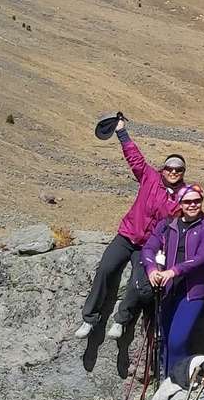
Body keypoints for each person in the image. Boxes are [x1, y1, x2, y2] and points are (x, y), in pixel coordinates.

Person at [76, 117, 192, 340]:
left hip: (148, 246)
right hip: (126, 235)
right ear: (163, 168)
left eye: (179, 169)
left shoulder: (184, 196)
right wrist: (121, 132)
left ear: (183, 172)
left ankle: (121, 320)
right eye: (170, 167)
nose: (174, 172)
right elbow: (134, 157)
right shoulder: (150, 177)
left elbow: (187, 219)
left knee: (138, 282)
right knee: (105, 270)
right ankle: (89, 318)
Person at [142, 184, 204, 374]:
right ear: (180, 203)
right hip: (168, 291)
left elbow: (201, 257)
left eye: (197, 201)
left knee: (177, 341)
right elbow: (148, 248)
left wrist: (173, 271)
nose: (193, 205)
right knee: (165, 341)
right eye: (188, 201)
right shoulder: (167, 225)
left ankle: (178, 386)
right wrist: (152, 269)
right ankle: (167, 384)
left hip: (192, 292)